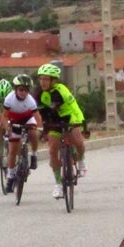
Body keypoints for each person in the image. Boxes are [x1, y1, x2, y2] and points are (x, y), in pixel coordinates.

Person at [36, 62, 87, 199]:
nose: (43, 82)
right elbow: (41, 114)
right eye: (41, 79)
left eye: (46, 79)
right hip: (53, 122)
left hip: (69, 118)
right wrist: (43, 129)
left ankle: (81, 161)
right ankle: (58, 184)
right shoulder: (40, 94)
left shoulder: (61, 90)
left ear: (54, 80)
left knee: (78, 141)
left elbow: (74, 105)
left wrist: (81, 121)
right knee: (53, 150)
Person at [0, 73, 42, 192]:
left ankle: (34, 154)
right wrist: (7, 128)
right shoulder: (9, 99)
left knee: (33, 133)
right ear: (16, 89)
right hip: (14, 120)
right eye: (21, 89)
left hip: (28, 118)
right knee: (13, 150)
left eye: (26, 90)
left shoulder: (30, 101)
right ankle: (10, 176)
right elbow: (4, 116)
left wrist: (40, 128)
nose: (23, 92)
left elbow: (37, 116)